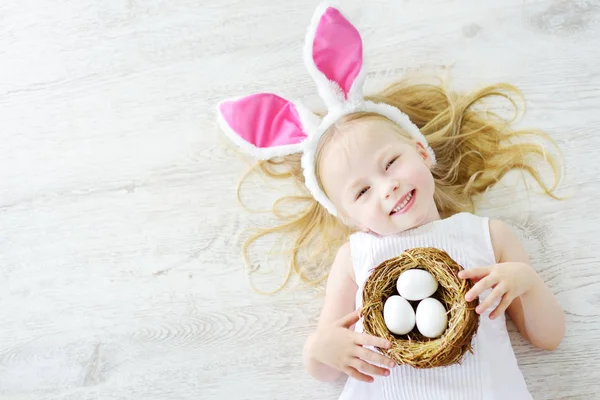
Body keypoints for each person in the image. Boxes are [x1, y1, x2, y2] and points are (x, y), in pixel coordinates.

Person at [217, 4, 566, 399]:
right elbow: (323, 368)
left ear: (420, 150)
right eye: (362, 192)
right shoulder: (357, 255)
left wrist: (526, 282)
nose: (386, 188)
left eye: (391, 163)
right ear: (348, 217)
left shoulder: (488, 236)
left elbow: (549, 337)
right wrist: (320, 348)